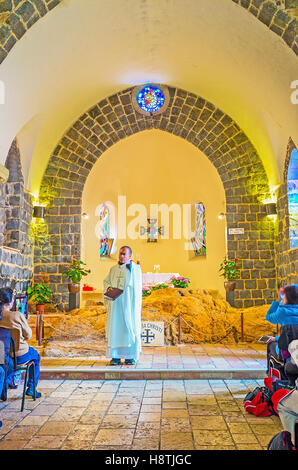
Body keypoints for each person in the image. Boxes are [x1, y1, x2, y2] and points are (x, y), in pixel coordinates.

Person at [0, 287, 42, 398]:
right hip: (19, 355)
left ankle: (9, 380)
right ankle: (32, 388)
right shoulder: (17, 315)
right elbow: (28, 335)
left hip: (3, 356)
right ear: (11, 301)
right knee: (36, 356)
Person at [103, 246, 142, 366]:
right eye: (120, 253)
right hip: (116, 305)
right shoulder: (113, 269)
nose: (122, 256)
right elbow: (106, 282)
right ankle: (115, 356)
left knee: (128, 329)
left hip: (128, 305)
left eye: (124, 254)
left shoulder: (134, 269)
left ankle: (130, 356)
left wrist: (131, 270)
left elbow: (136, 286)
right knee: (115, 329)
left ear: (130, 256)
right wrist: (108, 288)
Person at [265, 285, 298, 373]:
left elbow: (269, 316)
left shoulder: (283, 312)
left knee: (271, 345)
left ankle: (271, 373)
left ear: (286, 298)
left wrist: (278, 300)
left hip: (287, 350)